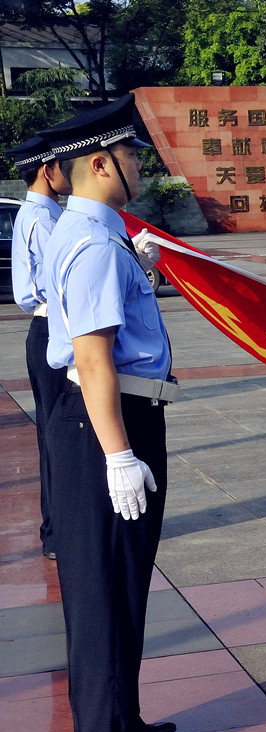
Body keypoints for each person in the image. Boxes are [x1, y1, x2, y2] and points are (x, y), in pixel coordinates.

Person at [39, 95, 188, 732]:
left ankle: (122, 721)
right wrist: (119, 455)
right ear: (101, 163)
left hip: (112, 415)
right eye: (129, 156)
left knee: (121, 581)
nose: (137, 166)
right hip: (108, 421)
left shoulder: (96, 234)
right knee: (103, 586)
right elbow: (93, 357)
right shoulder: (94, 241)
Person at [6, 135, 69, 560]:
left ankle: (56, 530)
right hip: (51, 328)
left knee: (54, 432)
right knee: (59, 434)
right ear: (47, 171)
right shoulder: (44, 220)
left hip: (43, 328)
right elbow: (57, 284)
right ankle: (58, 532)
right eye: (64, 165)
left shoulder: (37, 214)